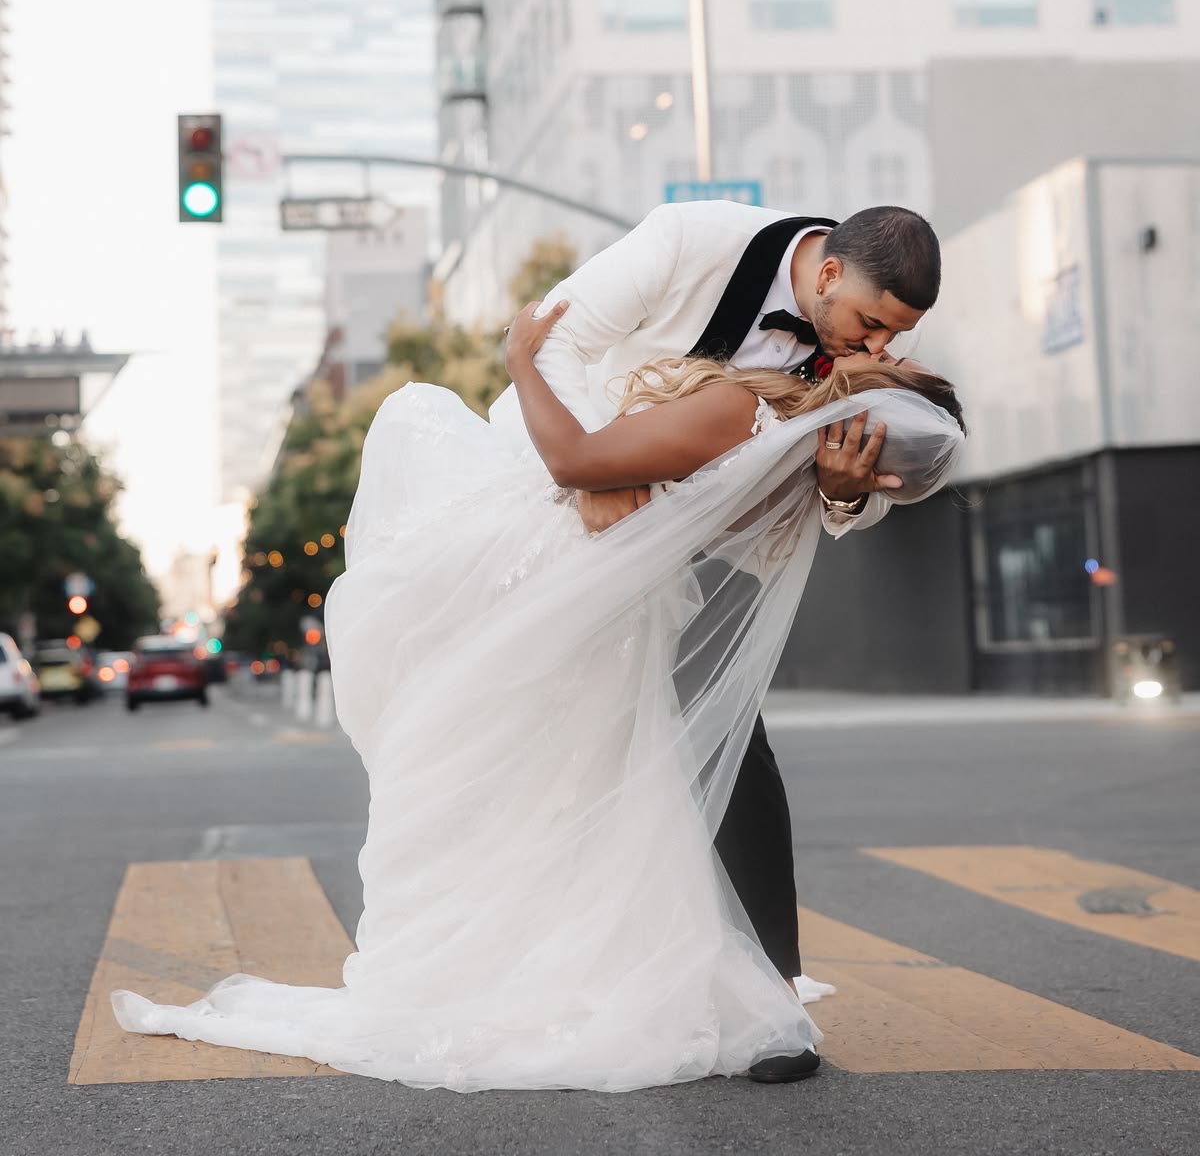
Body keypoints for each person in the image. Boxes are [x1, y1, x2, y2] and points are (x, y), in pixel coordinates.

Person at [112, 293, 964, 1093]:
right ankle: (557, 970)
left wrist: (523, 358)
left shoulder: (749, 416)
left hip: (555, 574)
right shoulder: (799, 483)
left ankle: (501, 972)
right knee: (569, 793)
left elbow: (572, 459)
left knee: (417, 418)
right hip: (616, 611)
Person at [487, 201, 943, 1081]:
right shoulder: (688, 241)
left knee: (730, 741)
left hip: (721, 543)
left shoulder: (853, 347)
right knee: (573, 745)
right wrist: (592, 474)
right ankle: (571, 968)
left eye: (898, 335)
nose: (879, 349)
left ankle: (774, 997)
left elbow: (869, 484)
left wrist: (847, 493)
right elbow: (556, 348)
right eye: (871, 324)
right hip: (575, 498)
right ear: (824, 276)